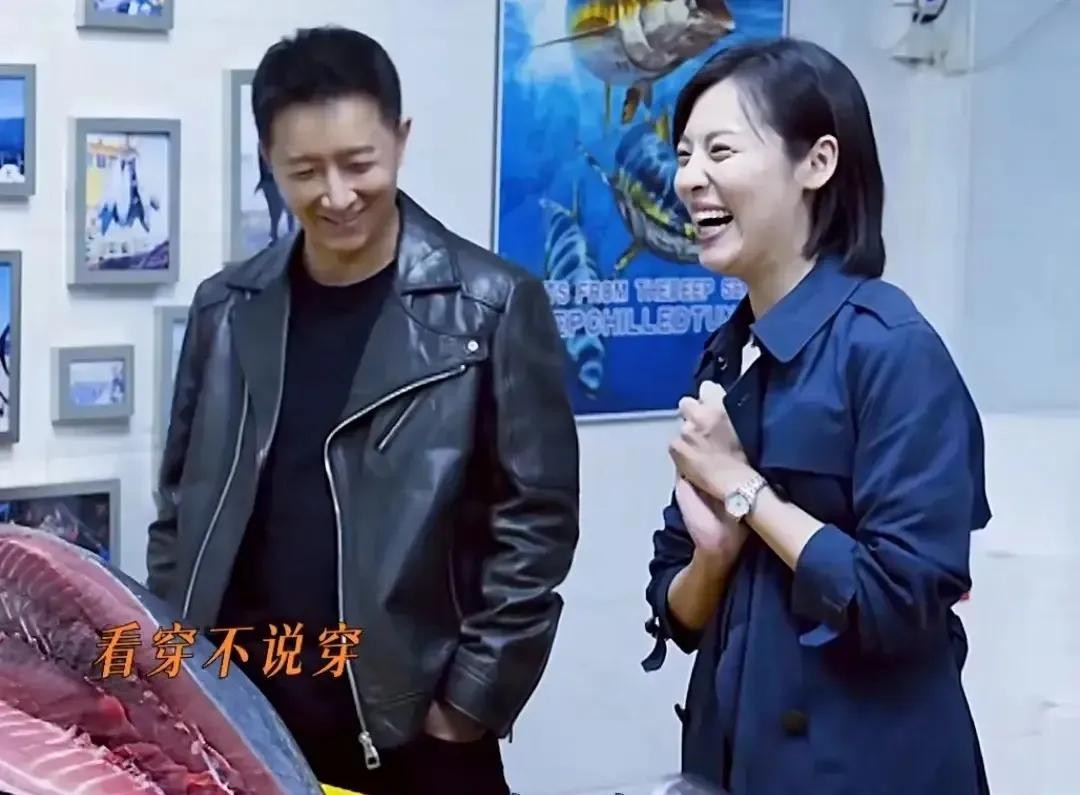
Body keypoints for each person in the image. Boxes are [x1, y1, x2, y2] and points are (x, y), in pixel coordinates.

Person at [145, 25, 580, 795]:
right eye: (304, 170)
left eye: (358, 163)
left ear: (400, 140)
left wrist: (466, 704)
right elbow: (181, 509)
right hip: (243, 719)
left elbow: (537, 525)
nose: (337, 195)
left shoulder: (491, 306)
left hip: (414, 734)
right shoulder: (226, 309)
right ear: (269, 161)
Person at [641, 37, 991, 794]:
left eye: (721, 151)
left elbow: (898, 601)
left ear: (817, 162)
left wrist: (746, 492)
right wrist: (714, 556)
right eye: (684, 155)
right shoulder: (729, 353)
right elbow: (679, 612)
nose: (689, 178)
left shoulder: (892, 350)